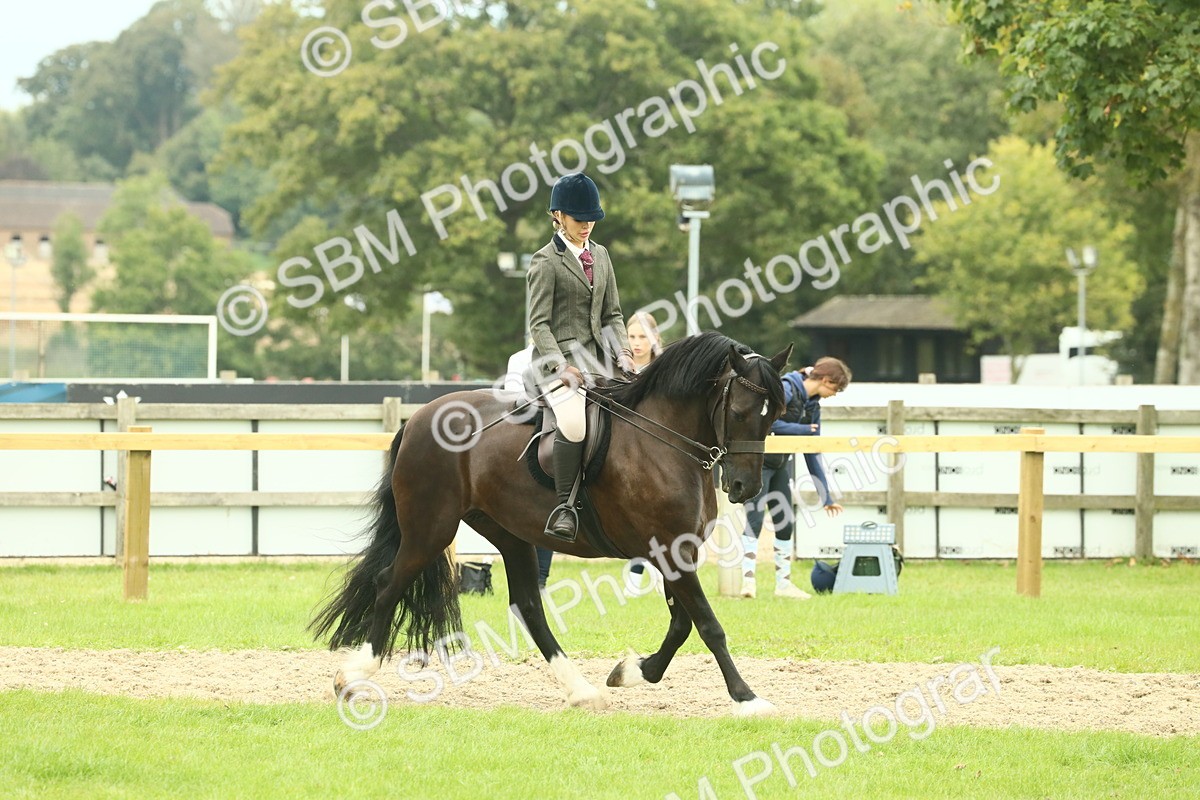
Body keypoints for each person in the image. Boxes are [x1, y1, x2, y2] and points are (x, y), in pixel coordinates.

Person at [527, 172, 635, 542]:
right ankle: (565, 506)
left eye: (591, 218)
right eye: (578, 218)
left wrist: (623, 350)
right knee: (574, 423)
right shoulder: (545, 261)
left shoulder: (601, 255)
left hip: (601, 360)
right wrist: (561, 367)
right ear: (558, 215)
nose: (587, 225)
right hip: (555, 362)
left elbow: (613, 314)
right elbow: (539, 325)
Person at [740, 356, 851, 599]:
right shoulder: (786, 389)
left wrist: (826, 496)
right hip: (759, 464)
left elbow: (812, 450)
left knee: (785, 523)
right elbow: (766, 423)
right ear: (825, 380)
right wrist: (803, 430)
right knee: (755, 520)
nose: (834, 394)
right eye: (836, 388)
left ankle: (783, 585)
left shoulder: (814, 406)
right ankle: (747, 583)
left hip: (782, 466)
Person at [622, 311, 666, 596]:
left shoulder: (664, 371)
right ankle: (635, 577)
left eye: (643, 337)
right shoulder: (618, 367)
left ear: (655, 339)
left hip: (661, 453)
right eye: (632, 337)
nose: (637, 343)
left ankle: (667, 575)